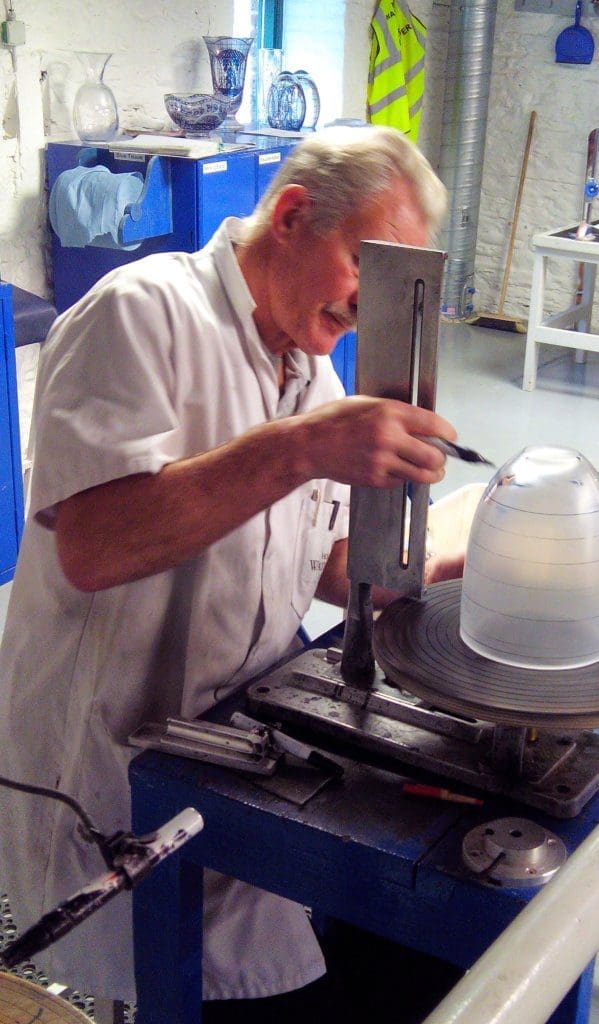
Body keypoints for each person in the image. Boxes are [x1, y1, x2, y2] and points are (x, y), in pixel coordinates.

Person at [0, 126, 464, 1007]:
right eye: (368, 270)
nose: (368, 309)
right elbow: (94, 548)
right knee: (166, 982)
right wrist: (300, 449)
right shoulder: (140, 313)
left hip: (235, 743)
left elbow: (323, 562)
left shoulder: (308, 369)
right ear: (292, 215)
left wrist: (440, 576)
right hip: (113, 761)